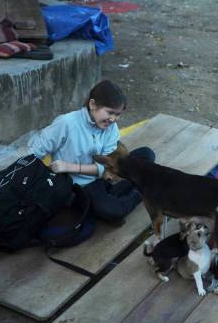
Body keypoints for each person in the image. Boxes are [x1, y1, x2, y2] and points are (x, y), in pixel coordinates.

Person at [29, 80, 155, 224]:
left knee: (147, 154)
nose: (113, 119)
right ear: (92, 104)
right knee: (113, 210)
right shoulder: (66, 123)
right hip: (83, 186)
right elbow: (34, 152)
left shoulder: (111, 127)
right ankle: (144, 191)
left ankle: (128, 188)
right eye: (110, 112)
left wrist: (70, 167)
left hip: (104, 177)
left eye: (118, 114)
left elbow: (109, 167)